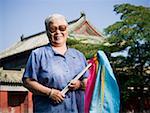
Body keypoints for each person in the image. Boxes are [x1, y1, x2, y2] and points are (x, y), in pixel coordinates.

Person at [22, 13, 89, 113]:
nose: (58, 32)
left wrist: (79, 85)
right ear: (47, 32)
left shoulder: (79, 55)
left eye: (62, 28)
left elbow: (88, 82)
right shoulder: (38, 54)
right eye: (53, 29)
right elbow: (27, 81)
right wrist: (50, 92)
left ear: (67, 30)